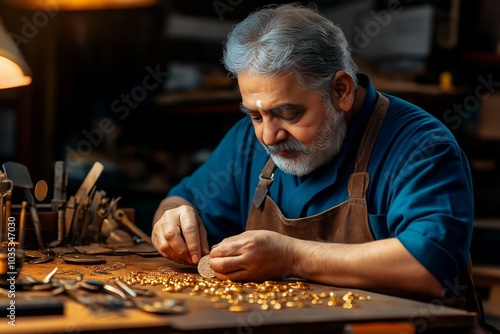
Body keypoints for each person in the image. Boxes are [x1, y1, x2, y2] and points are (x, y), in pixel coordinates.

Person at [152, 2, 482, 319]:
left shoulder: (421, 147)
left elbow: (430, 269)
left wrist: (290, 256)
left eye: (288, 113)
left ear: (341, 91)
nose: (268, 136)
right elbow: (180, 201)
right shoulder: (246, 143)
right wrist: (172, 221)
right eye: (255, 115)